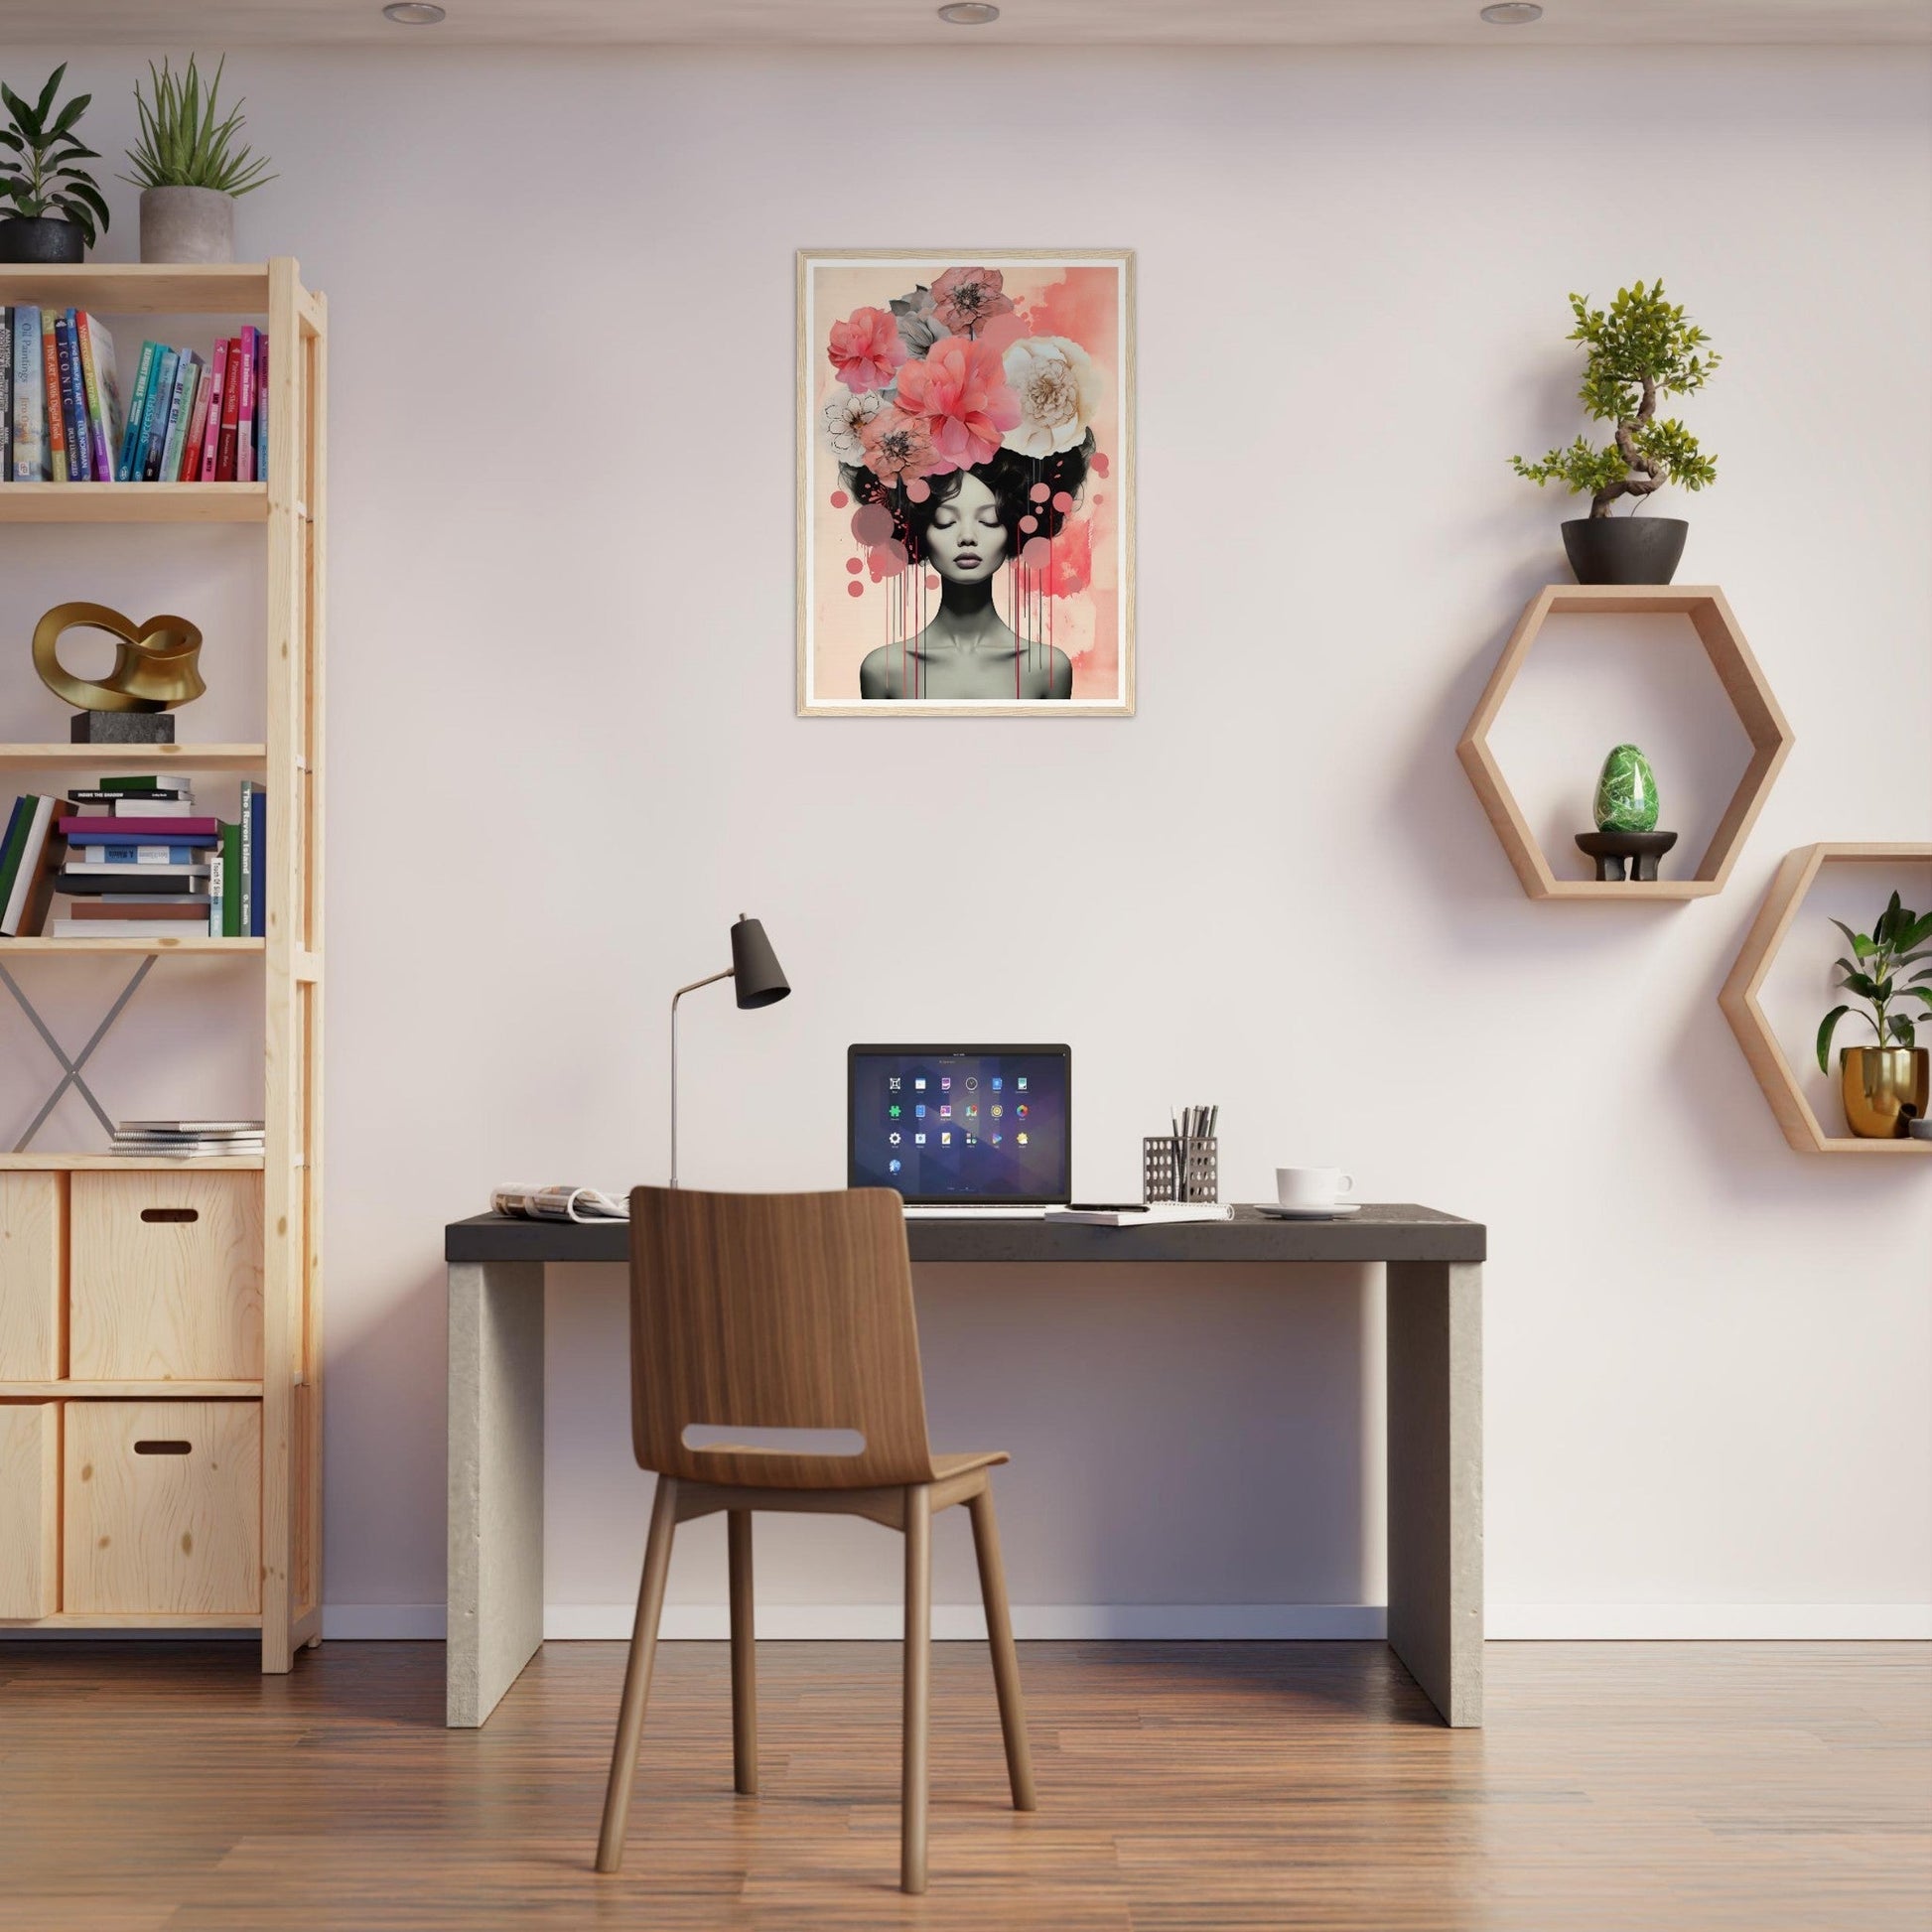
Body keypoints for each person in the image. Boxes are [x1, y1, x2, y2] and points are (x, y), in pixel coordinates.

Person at [853, 443, 1089, 702]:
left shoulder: (1048, 669)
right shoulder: (884, 671)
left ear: (1013, 529)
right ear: (917, 530)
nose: (967, 537)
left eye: (989, 521)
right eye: (945, 521)